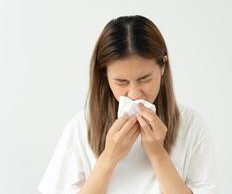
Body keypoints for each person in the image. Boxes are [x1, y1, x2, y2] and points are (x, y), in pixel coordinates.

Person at [37, 15, 218, 194]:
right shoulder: (81, 127)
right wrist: (108, 158)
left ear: (163, 66)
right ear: (104, 76)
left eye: (145, 79)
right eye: (121, 82)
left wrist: (158, 154)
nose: (134, 94)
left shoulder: (193, 126)